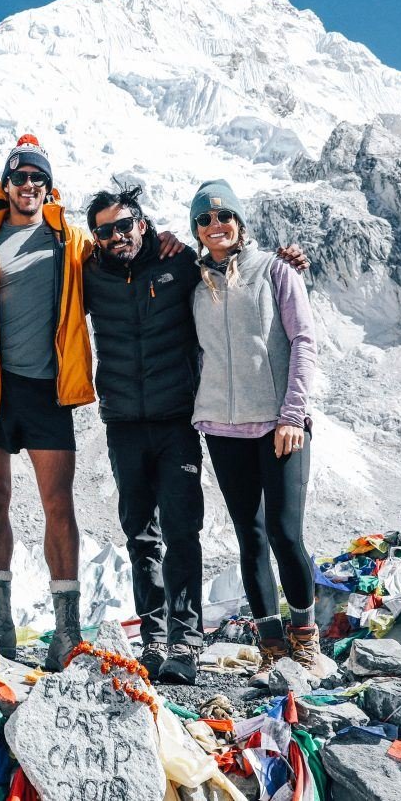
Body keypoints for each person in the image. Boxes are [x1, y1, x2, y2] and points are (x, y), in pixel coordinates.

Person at [84, 185, 306, 684]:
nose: (117, 236)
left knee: (183, 530)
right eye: (105, 231)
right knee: (140, 534)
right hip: (122, 422)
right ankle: (154, 640)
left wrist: (289, 258)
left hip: (178, 419)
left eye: (124, 225)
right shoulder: (89, 275)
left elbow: (235, 270)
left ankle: (186, 641)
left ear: (142, 223)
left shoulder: (182, 265)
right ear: (95, 239)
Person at [0, 134, 95, 670]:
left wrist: (164, 239)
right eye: (20, 177)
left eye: (38, 178)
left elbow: (125, 256)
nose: (29, 185)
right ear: (6, 185)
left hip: (49, 391)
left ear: (48, 188)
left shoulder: (71, 241)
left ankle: (67, 629)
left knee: (59, 504)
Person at [188, 178, 322, 683]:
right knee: (251, 535)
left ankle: (305, 640)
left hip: (278, 426)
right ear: (196, 231)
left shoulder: (277, 270)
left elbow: (303, 341)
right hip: (223, 428)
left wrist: (292, 415)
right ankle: (270, 646)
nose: (215, 226)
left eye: (224, 216)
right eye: (204, 220)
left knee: (288, 533)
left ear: (240, 222)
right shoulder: (195, 281)